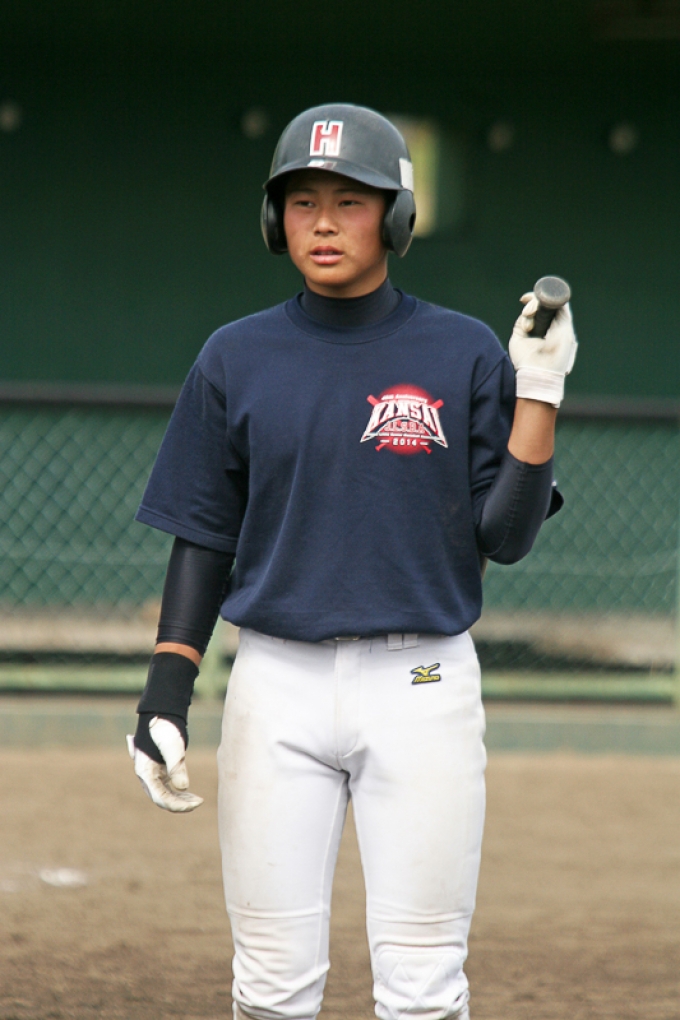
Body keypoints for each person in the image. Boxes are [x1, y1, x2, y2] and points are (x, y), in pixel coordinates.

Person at [127, 103, 576, 1020]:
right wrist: (165, 694)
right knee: (270, 987)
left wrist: (538, 390)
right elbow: (204, 534)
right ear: (275, 218)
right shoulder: (234, 356)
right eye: (301, 202)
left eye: (350, 201)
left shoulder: (462, 350)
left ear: (397, 217)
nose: (323, 223)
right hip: (275, 683)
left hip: (423, 683)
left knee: (423, 988)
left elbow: (507, 538)